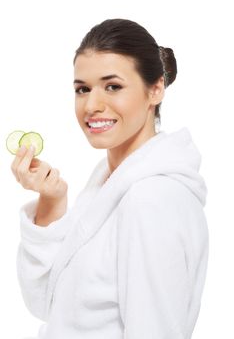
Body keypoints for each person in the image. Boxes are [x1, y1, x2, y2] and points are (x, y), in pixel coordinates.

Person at [11, 18, 209, 339]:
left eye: (112, 86)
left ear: (155, 89)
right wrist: (52, 201)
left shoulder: (152, 198)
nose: (91, 105)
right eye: (82, 89)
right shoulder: (107, 183)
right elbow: (48, 304)